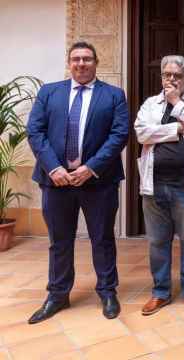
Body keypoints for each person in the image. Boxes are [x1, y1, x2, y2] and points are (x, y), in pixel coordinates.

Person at [26, 41, 129, 323]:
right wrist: (53, 168)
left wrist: (91, 168)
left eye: (86, 59)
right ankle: (58, 295)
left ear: (96, 62)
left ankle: (108, 292)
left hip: (99, 182)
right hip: (56, 182)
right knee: (59, 241)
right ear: (68, 63)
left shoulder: (114, 95)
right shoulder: (49, 93)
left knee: (103, 239)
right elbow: (35, 131)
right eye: (76, 59)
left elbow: (119, 135)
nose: (81, 64)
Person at [134, 55, 184, 316]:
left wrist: (176, 103)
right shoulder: (149, 104)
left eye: (177, 76)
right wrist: (177, 129)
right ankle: (160, 292)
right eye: (167, 75)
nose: (171, 79)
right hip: (154, 184)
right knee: (158, 242)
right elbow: (141, 133)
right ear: (161, 76)